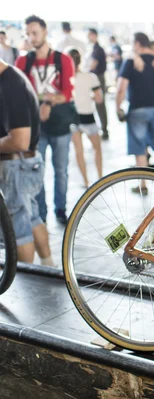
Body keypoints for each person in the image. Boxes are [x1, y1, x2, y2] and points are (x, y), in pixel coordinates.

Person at [16, 15, 77, 226]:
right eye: (28, 34)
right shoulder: (23, 61)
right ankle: (41, 214)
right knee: (36, 171)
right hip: (35, 127)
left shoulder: (63, 59)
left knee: (61, 170)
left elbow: (68, 93)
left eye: (35, 33)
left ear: (44, 32)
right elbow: (20, 93)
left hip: (60, 125)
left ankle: (60, 210)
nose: (32, 37)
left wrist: (47, 102)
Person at [0, 59, 54, 265]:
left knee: (17, 229)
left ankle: (28, 284)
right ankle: (49, 268)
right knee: (31, 218)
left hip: (16, 166)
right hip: (25, 164)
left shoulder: (10, 84)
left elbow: (19, 140)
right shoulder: (12, 78)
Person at [116, 32, 154, 185]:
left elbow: (121, 88)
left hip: (138, 109)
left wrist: (118, 107)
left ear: (137, 44)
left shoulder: (131, 61)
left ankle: (142, 184)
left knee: (139, 146)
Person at [67, 48, 103, 188]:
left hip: (73, 118)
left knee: (79, 151)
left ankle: (86, 181)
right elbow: (99, 98)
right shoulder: (90, 77)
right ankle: (101, 179)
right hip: (88, 116)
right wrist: (90, 97)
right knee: (97, 148)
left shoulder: (66, 79)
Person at [87, 28, 108, 140]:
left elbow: (93, 65)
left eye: (89, 35)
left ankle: (104, 129)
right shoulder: (95, 48)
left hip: (98, 78)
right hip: (98, 78)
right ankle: (103, 128)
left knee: (100, 104)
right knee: (99, 105)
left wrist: (86, 73)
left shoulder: (98, 49)